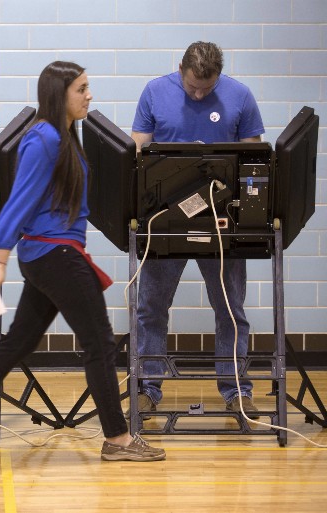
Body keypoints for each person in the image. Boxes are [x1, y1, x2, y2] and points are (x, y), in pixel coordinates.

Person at [0, 61, 166, 462]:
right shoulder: (43, 139)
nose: (89, 95)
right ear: (60, 94)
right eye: (82, 88)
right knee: (100, 342)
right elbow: (19, 200)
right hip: (54, 254)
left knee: (19, 342)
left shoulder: (64, 137)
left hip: (54, 254)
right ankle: (118, 439)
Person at [130, 41, 265, 417]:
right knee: (151, 308)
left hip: (221, 221)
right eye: (193, 87)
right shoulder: (155, 92)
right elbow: (136, 148)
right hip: (164, 219)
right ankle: (147, 388)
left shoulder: (240, 96)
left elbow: (252, 157)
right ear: (180, 69)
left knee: (230, 308)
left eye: (208, 88)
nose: (200, 93)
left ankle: (236, 390)